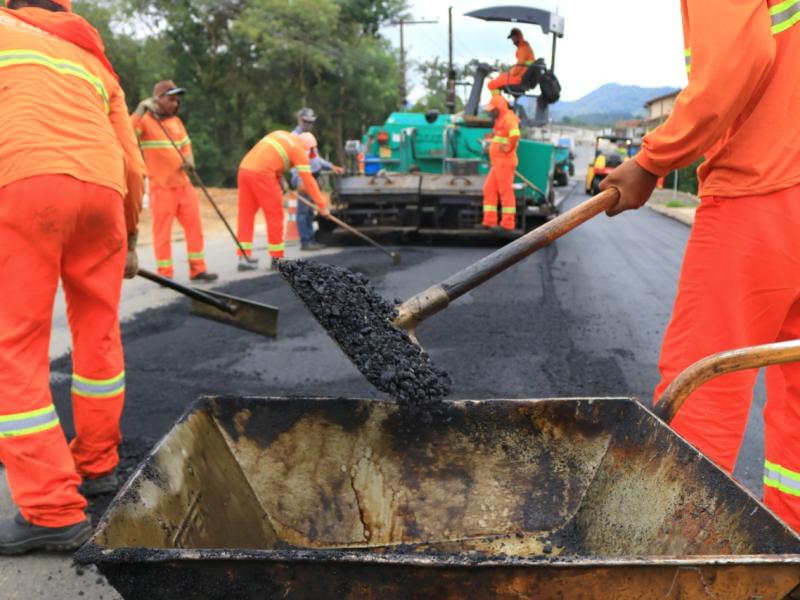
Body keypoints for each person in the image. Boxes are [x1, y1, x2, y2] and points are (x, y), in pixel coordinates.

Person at [600, 1, 800, 532]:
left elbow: (740, 55)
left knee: (704, 388)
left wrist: (651, 161)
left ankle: (681, 560)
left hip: (763, 191)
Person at [0, 0, 145, 553]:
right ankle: (97, 464)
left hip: (25, 183)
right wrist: (129, 236)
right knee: (98, 334)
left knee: (14, 344)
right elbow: (129, 159)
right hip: (103, 194)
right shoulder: (90, 55)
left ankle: (50, 509)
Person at [130, 80, 217, 282]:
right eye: (171, 99)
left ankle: (198, 270)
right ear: (157, 100)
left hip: (184, 185)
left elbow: (186, 145)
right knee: (162, 233)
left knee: (195, 229)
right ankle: (165, 274)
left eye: (177, 100)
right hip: (161, 187)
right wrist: (139, 111)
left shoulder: (176, 122)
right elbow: (126, 133)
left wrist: (189, 159)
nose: (176, 104)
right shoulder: (145, 122)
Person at [235, 130, 330, 269]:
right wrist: (322, 205)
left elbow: (271, 157)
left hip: (245, 170)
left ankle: (243, 258)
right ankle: (277, 259)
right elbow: (308, 180)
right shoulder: (299, 150)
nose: (309, 155)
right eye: (310, 152)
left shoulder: (281, 135)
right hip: (263, 174)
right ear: (308, 147)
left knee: (246, 215)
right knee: (275, 215)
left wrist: (281, 179)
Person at [290, 127, 344, 251]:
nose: (313, 150)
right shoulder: (299, 152)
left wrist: (331, 166)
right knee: (303, 212)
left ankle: (311, 239)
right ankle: (305, 241)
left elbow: (317, 161)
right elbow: (295, 170)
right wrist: (299, 182)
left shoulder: (310, 151)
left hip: (310, 178)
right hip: (302, 180)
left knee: (309, 212)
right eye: (311, 148)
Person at [481, 95, 520, 230]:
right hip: (497, 163)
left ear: (499, 108)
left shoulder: (509, 118)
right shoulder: (500, 119)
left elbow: (515, 135)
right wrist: (492, 140)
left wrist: (508, 148)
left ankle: (508, 224)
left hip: (504, 162)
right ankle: (489, 221)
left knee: (505, 192)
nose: (490, 112)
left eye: (492, 109)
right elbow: (502, 137)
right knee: (489, 189)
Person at [487, 28, 535, 95]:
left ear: (518, 36)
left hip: (519, 79)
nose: (512, 40)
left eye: (513, 38)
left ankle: (499, 103)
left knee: (491, 84)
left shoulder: (523, 49)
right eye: (511, 38)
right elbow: (522, 65)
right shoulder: (526, 48)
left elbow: (518, 68)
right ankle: (500, 102)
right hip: (522, 77)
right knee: (502, 76)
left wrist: (509, 73)